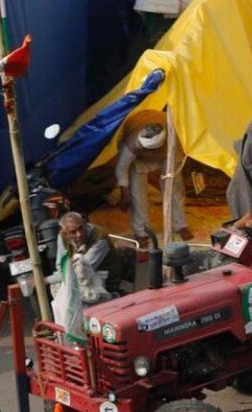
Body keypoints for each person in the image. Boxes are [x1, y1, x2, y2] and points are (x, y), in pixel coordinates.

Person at [115, 109, 192, 245]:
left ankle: (180, 225)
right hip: (138, 159)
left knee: (175, 189)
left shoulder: (173, 136)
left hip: (168, 155)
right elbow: (122, 168)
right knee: (137, 195)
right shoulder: (132, 142)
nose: (150, 154)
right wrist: (124, 192)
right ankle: (141, 232)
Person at [51, 212, 122, 304]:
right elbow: (60, 265)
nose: (79, 234)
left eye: (81, 228)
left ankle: (110, 297)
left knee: (74, 295)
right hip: (80, 276)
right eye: (73, 232)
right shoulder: (62, 235)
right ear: (66, 233)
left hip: (103, 281)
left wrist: (49, 279)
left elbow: (83, 270)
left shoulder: (100, 237)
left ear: (85, 223)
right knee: (58, 290)